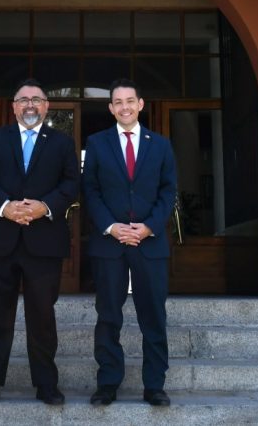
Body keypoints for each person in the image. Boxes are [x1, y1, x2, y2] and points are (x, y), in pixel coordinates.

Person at [0, 79, 79, 406]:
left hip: (44, 242)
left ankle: (46, 385)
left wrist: (44, 206)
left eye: (36, 100)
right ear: (13, 106)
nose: (30, 105)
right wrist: (6, 207)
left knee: (42, 316)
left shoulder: (61, 143)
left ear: (46, 107)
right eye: (23, 100)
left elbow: (72, 183)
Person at [82, 78, 177, 407]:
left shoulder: (161, 145)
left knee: (153, 316)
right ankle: (107, 382)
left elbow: (168, 192)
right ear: (110, 108)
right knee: (108, 315)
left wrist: (149, 227)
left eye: (129, 101)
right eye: (117, 102)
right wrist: (111, 226)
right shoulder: (96, 143)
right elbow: (90, 191)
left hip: (150, 244)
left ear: (140, 104)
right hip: (109, 244)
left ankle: (155, 385)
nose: (124, 106)